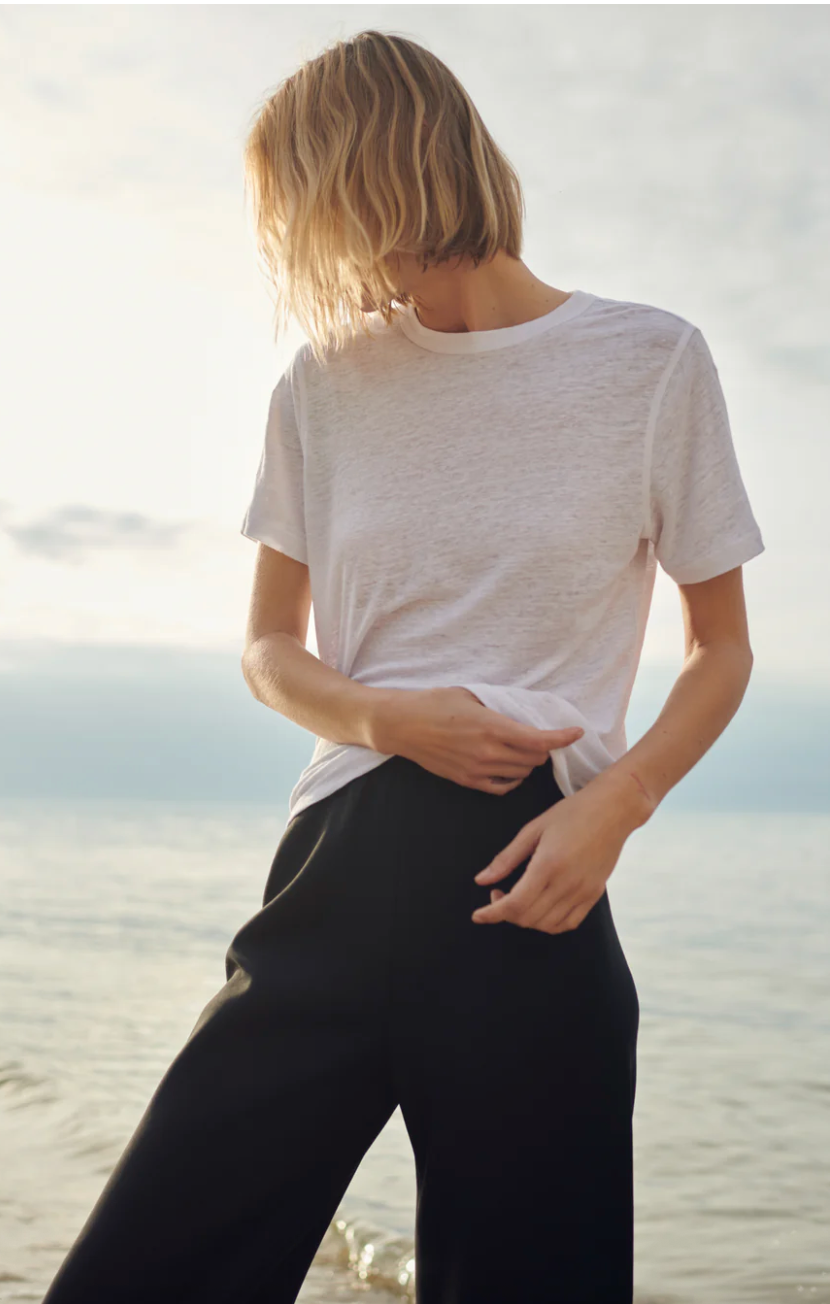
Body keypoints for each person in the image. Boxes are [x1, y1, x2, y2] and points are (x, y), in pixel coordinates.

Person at [42, 28, 765, 1304]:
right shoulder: (322, 382)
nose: (304, 245)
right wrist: (390, 714)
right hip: (339, 866)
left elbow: (720, 648)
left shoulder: (650, 362)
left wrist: (612, 806)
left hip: (532, 880)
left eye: (307, 202)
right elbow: (268, 651)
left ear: (377, 171)